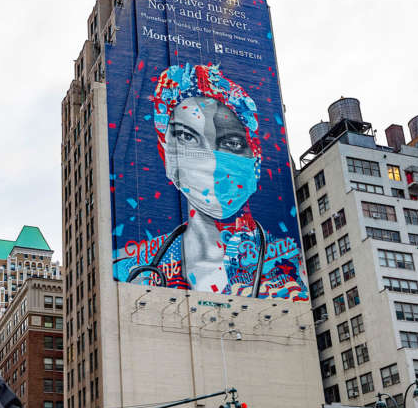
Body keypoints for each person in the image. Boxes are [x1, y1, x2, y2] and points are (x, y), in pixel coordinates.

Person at [116, 63, 304, 300]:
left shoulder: (290, 266)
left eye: (232, 143)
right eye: (187, 136)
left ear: (255, 157)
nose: (211, 164)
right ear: (166, 153)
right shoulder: (127, 270)